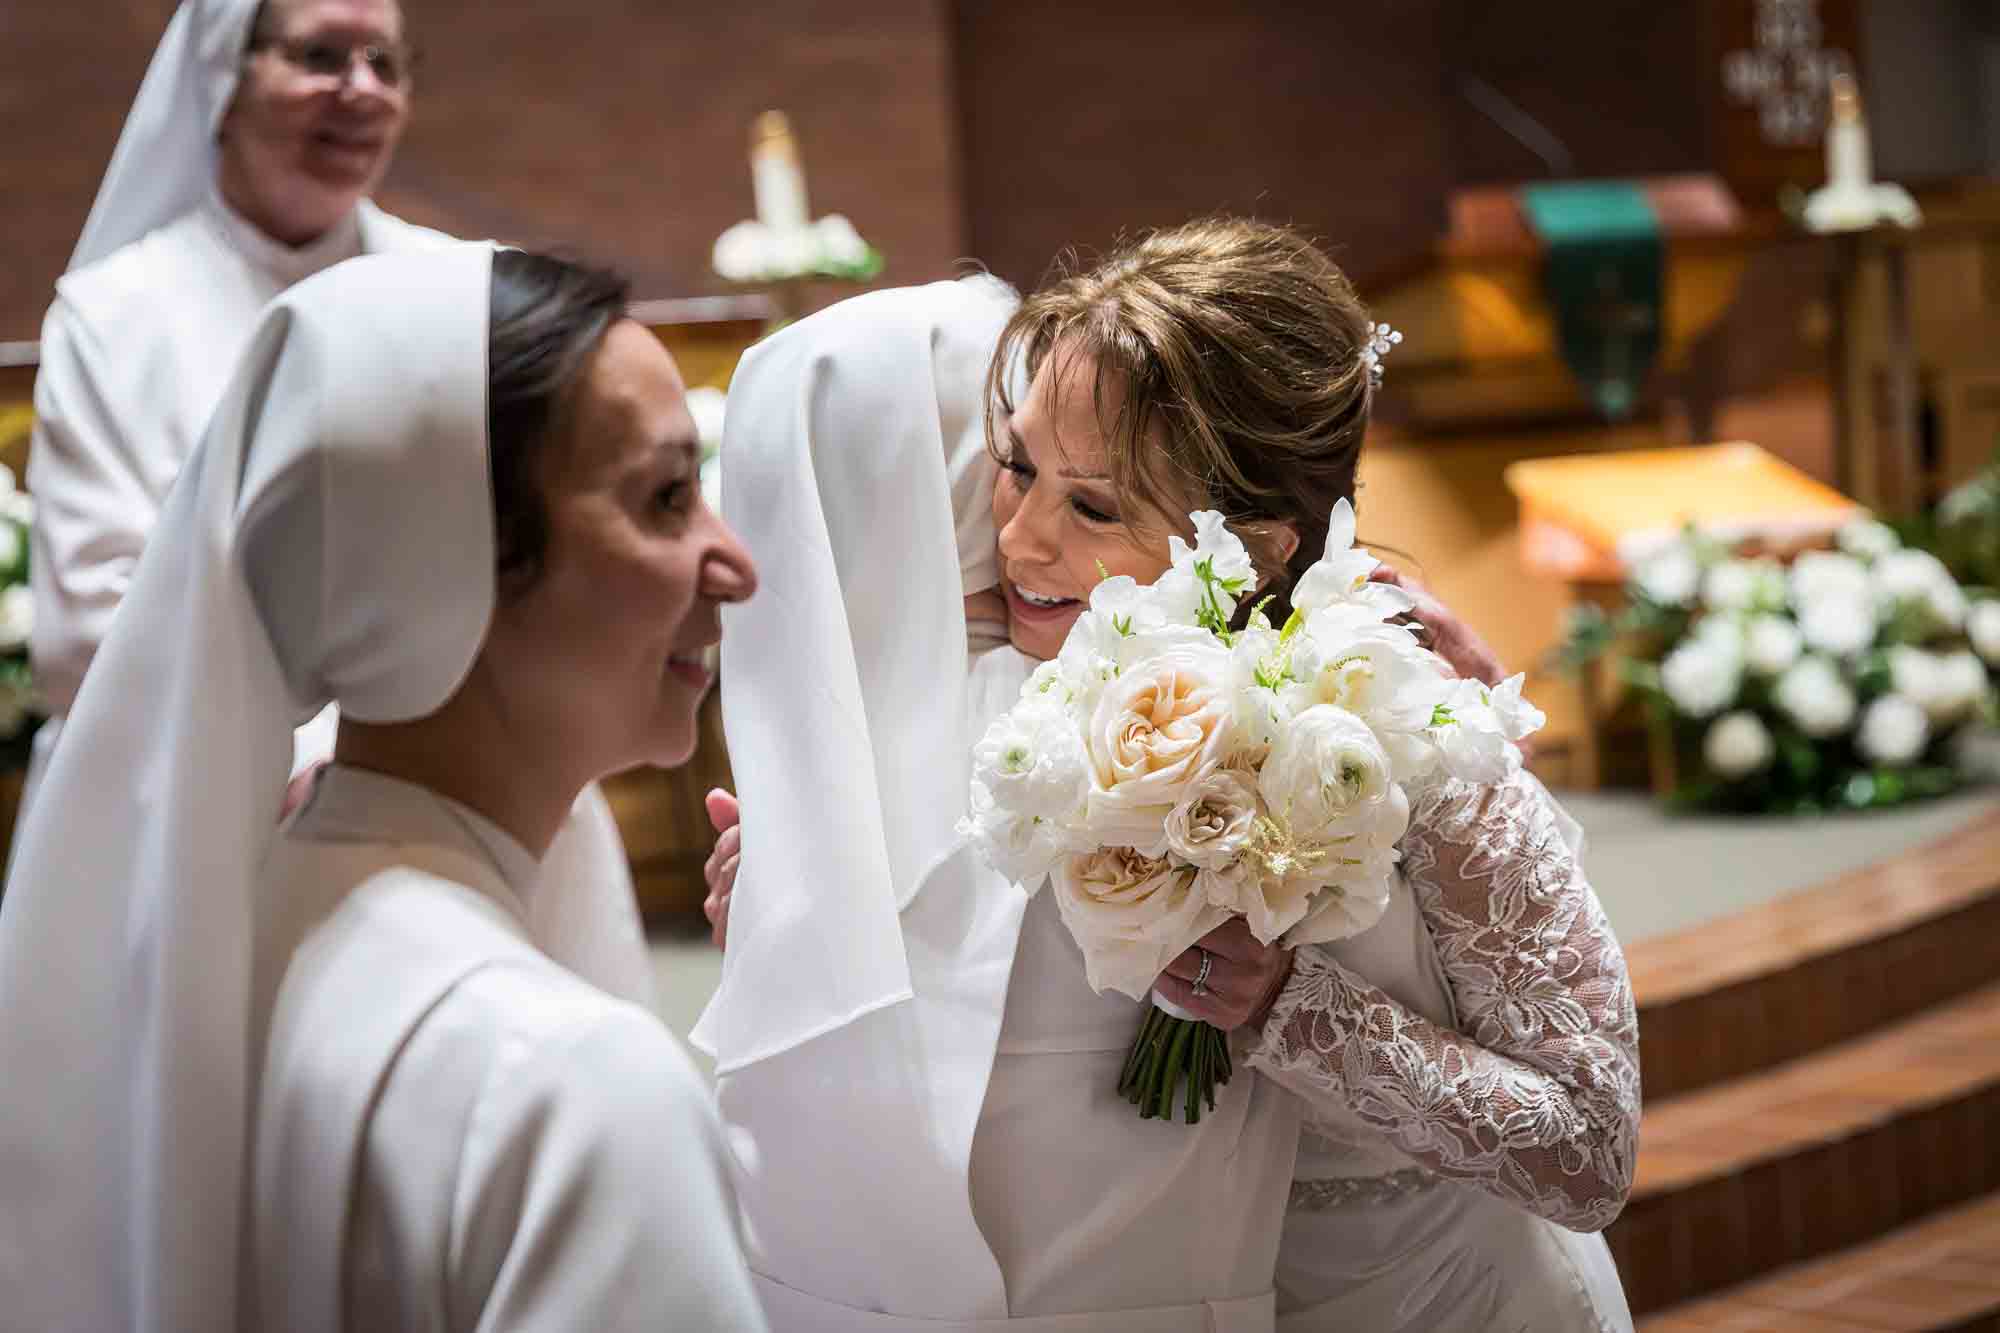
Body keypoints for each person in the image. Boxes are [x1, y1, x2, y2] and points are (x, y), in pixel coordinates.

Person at [701, 220, 1637, 1331]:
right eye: (1014, 468)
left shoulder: (1410, 724)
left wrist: (1289, 1006)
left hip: (1442, 1300)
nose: (1021, 538)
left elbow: (1588, 1149)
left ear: (1260, 543)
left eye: (1090, 505)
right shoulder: (1055, 709)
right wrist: (800, 907)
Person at [0, 245, 768, 1332]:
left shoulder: (196, 952)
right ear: (446, 565)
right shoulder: (569, 1089)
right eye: (666, 496)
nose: (732, 559)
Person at [25, 0, 653, 1001]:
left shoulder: (467, 290)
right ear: (224, 77)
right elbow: (88, 626)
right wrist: (340, 761)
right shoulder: (116, 317)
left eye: (385, 62)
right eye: (319, 57)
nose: (359, 90)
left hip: (475, 785)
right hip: (200, 808)